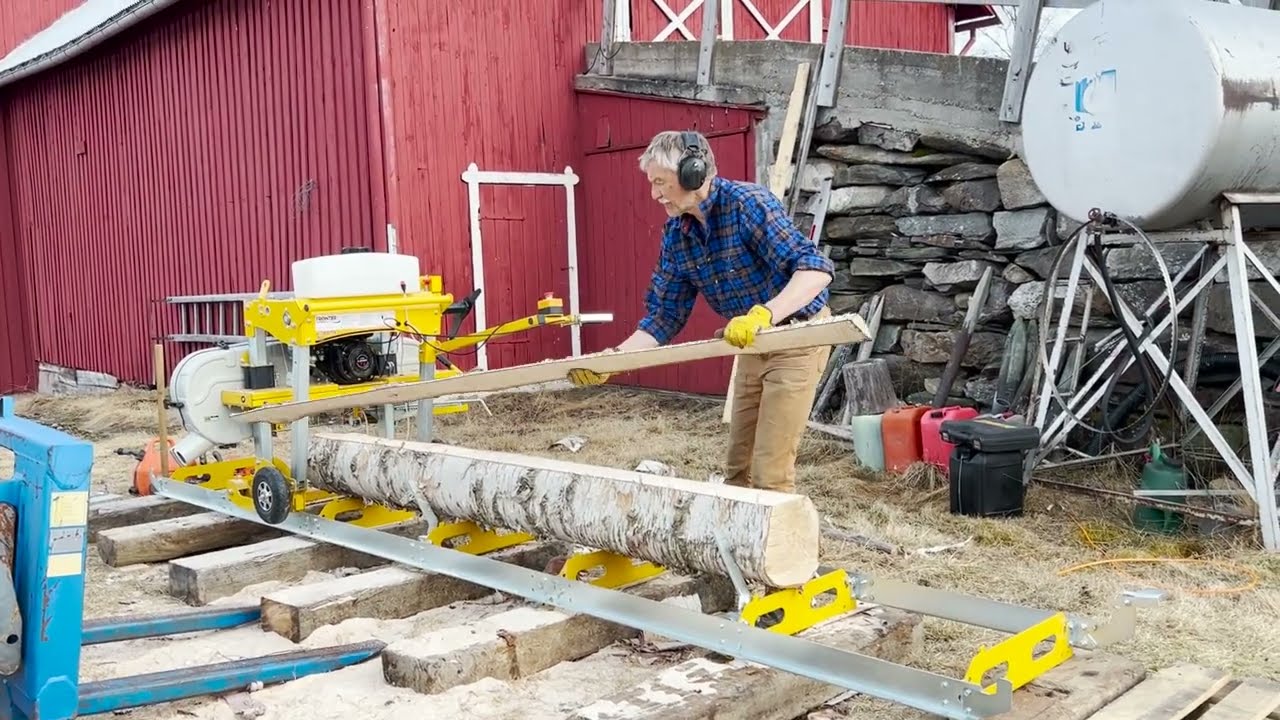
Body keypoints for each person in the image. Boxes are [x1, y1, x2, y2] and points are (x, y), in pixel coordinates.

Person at [568, 129, 834, 496]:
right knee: (739, 472)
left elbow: (815, 270)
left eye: (660, 182)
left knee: (770, 471)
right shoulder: (677, 234)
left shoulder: (747, 205)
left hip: (796, 338)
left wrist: (763, 315)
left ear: (694, 173)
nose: (654, 194)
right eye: (651, 183)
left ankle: (784, 552)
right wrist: (613, 360)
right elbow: (664, 316)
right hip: (751, 343)